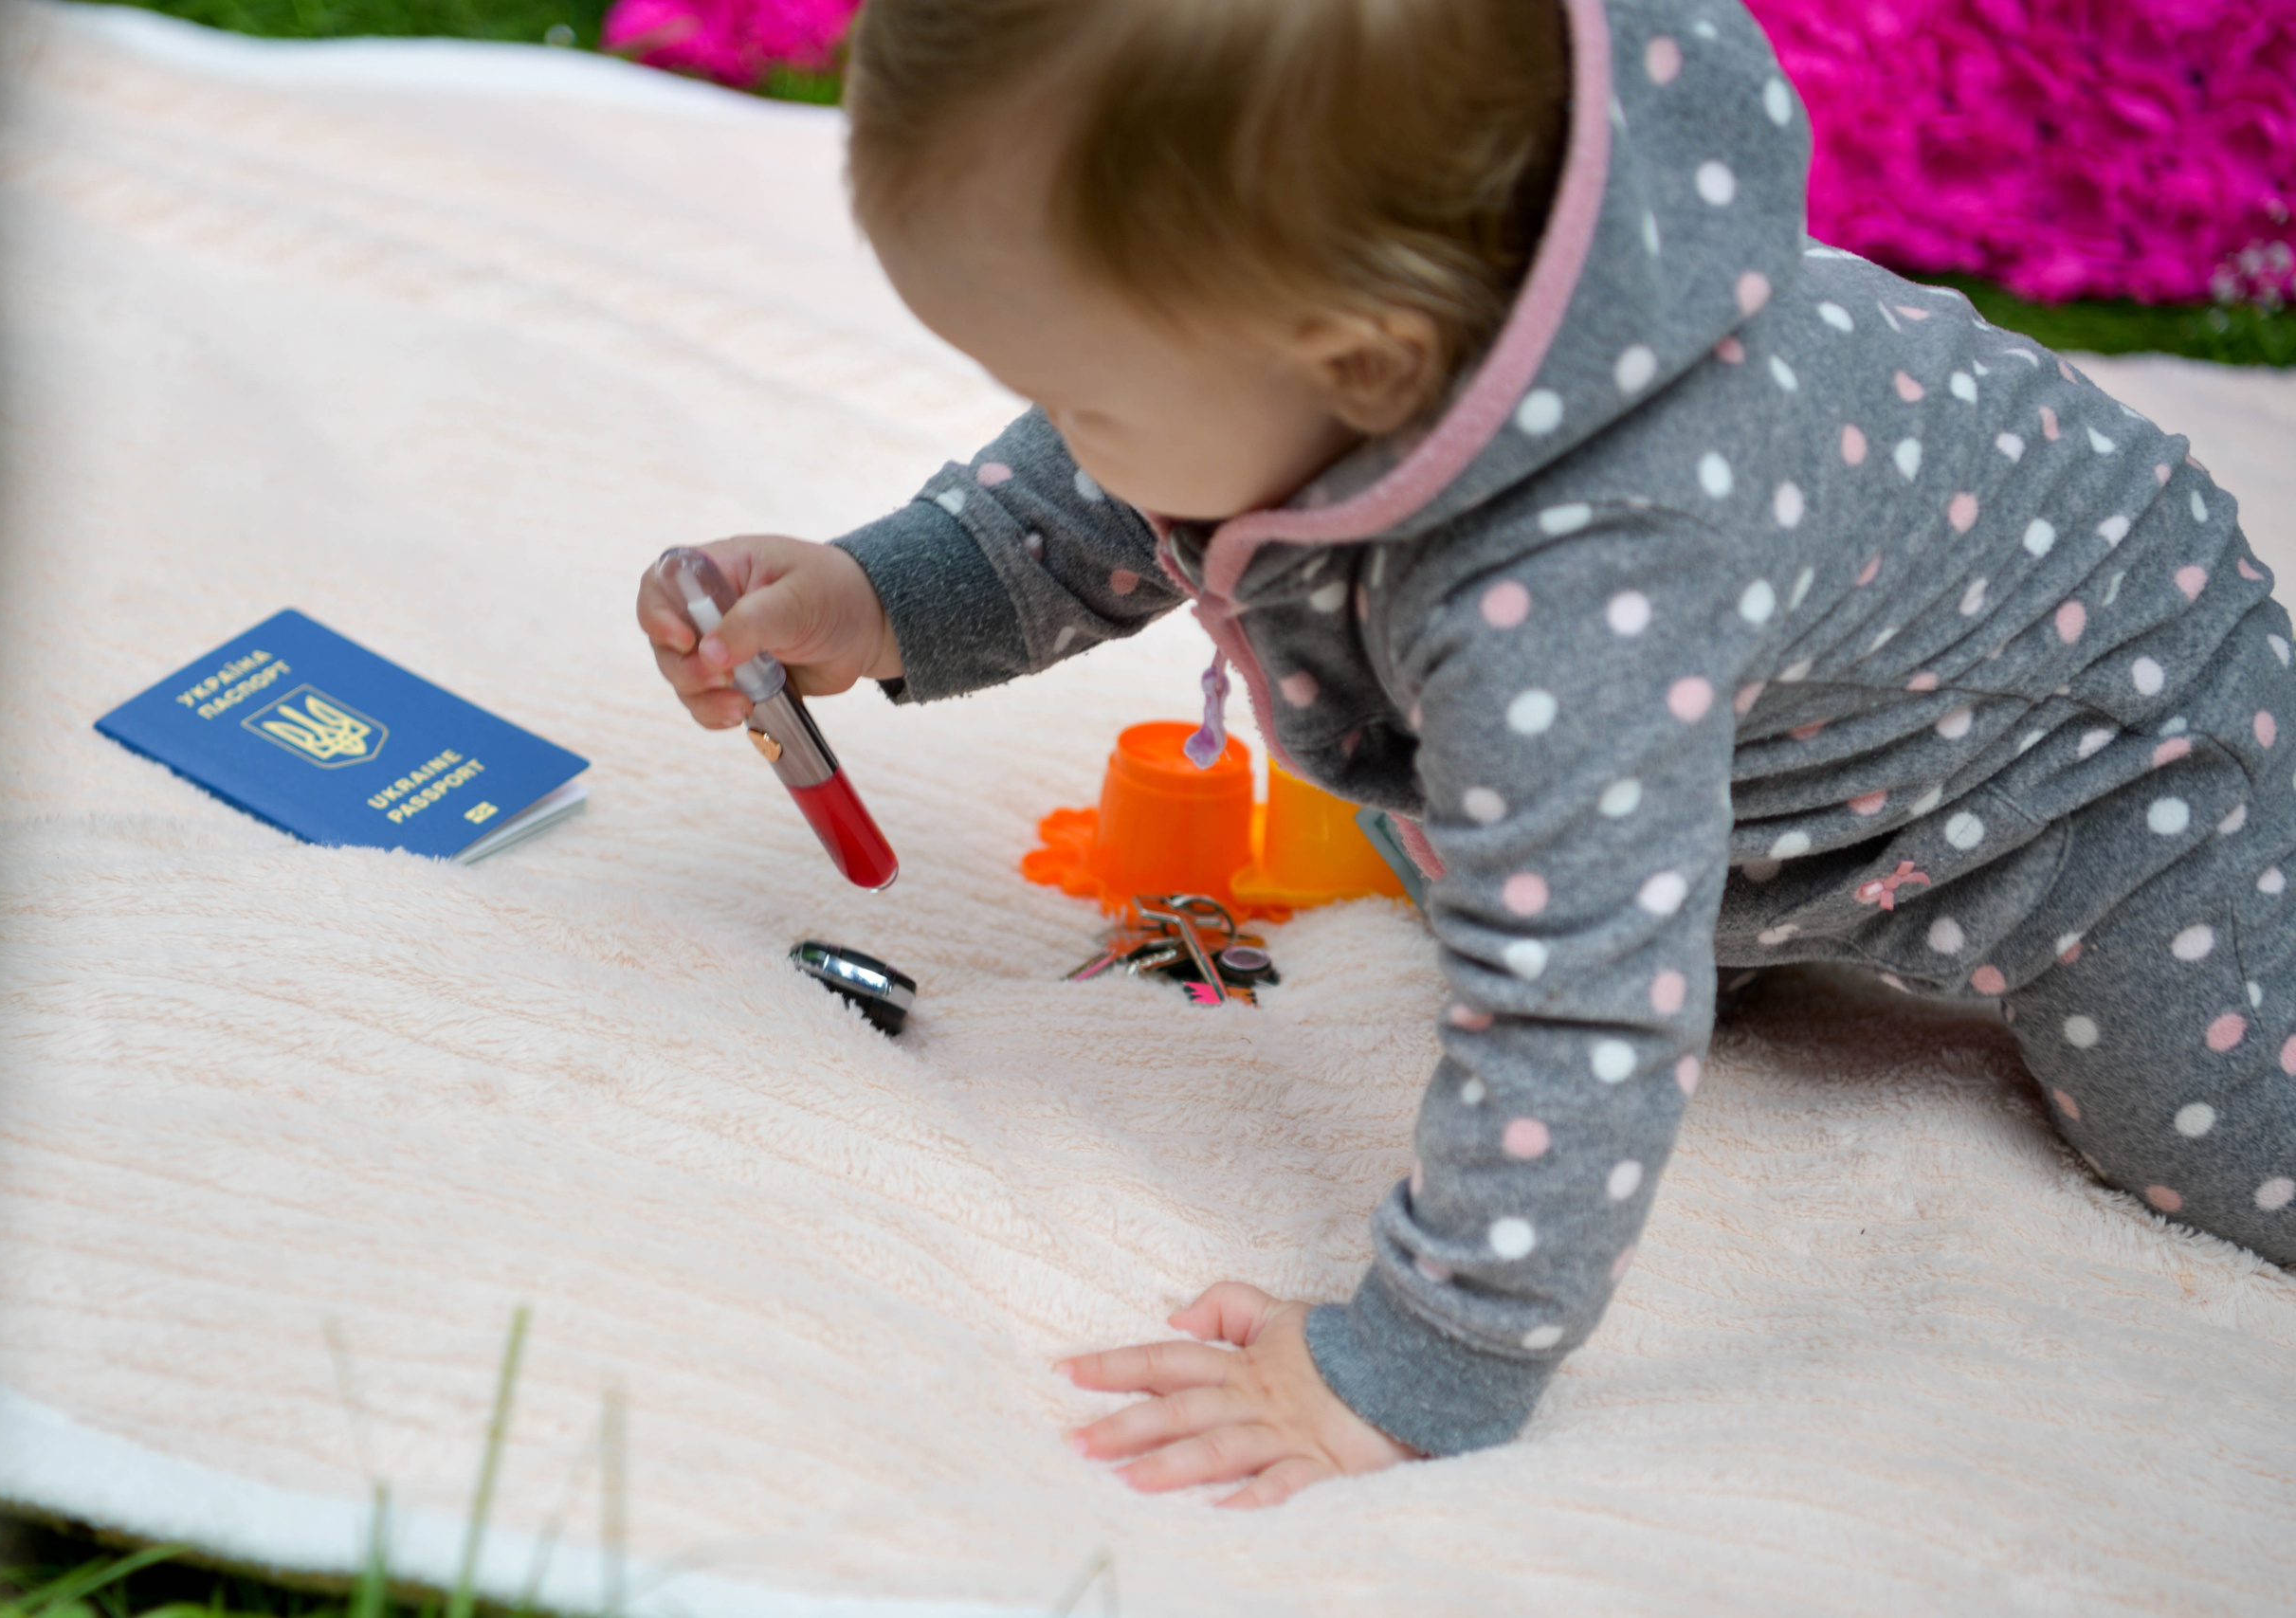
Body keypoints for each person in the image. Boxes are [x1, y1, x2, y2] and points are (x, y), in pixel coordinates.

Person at [638, 0, 2296, 1506]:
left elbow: (1582, 995)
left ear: (1357, 365)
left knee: (2232, 1151)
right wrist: (869, 600)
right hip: (1787, 757)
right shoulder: (1363, 326)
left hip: (2106, 767)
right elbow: (1102, 510)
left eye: (1080, 394)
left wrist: (1423, 1364)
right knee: (1487, 827)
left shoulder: (1580, 587)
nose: (1066, 445)